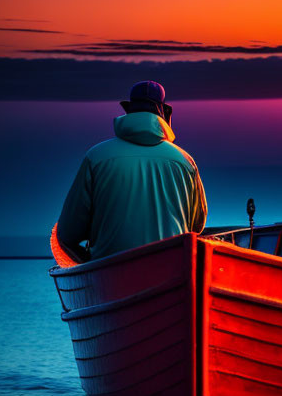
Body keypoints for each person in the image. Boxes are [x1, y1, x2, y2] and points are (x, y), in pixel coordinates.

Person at [57, 81, 207, 261]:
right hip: (172, 263)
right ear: (165, 114)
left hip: (109, 272)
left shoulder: (96, 157)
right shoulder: (184, 161)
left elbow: (67, 234)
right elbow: (197, 226)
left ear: (127, 111)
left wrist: (88, 263)